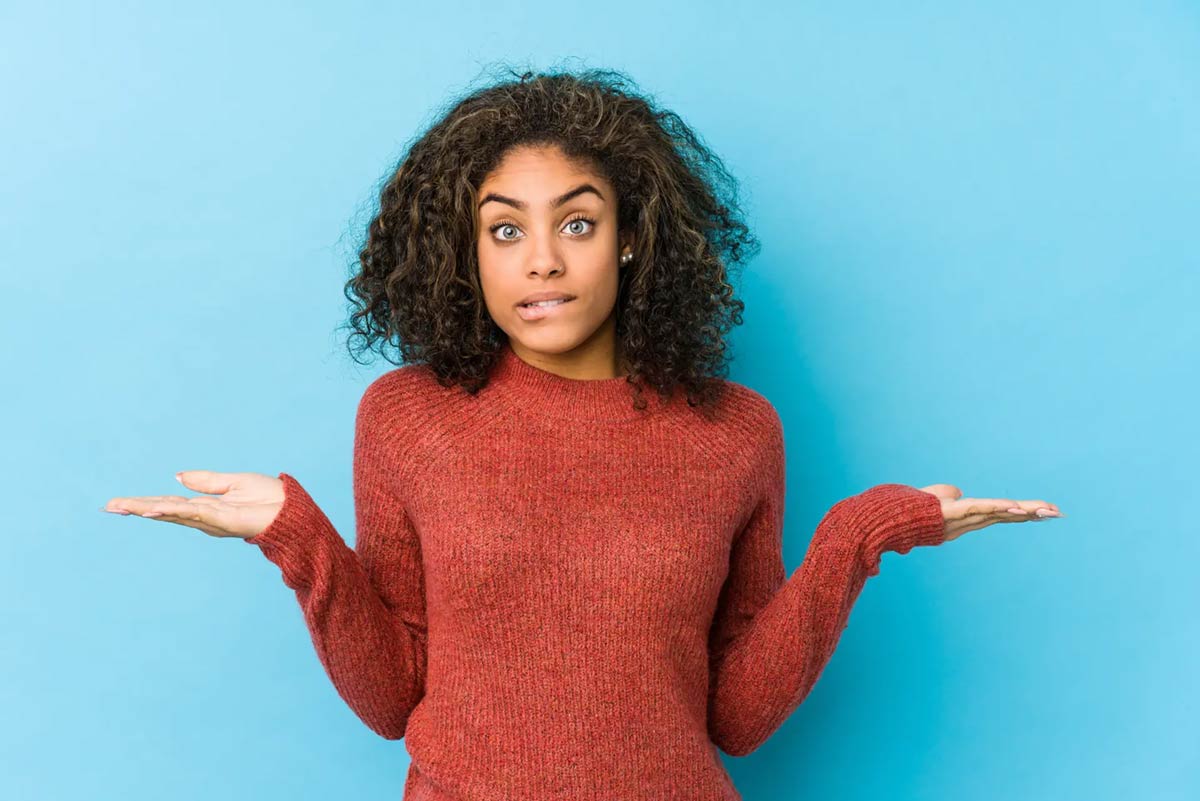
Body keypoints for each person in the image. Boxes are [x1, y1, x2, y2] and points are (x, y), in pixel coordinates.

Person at [100, 65, 1063, 800]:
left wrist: (857, 539)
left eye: (580, 222)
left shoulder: (735, 433)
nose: (544, 262)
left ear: (632, 236)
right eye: (506, 229)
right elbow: (396, 698)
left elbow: (736, 717)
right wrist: (298, 540)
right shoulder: (408, 418)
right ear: (465, 249)